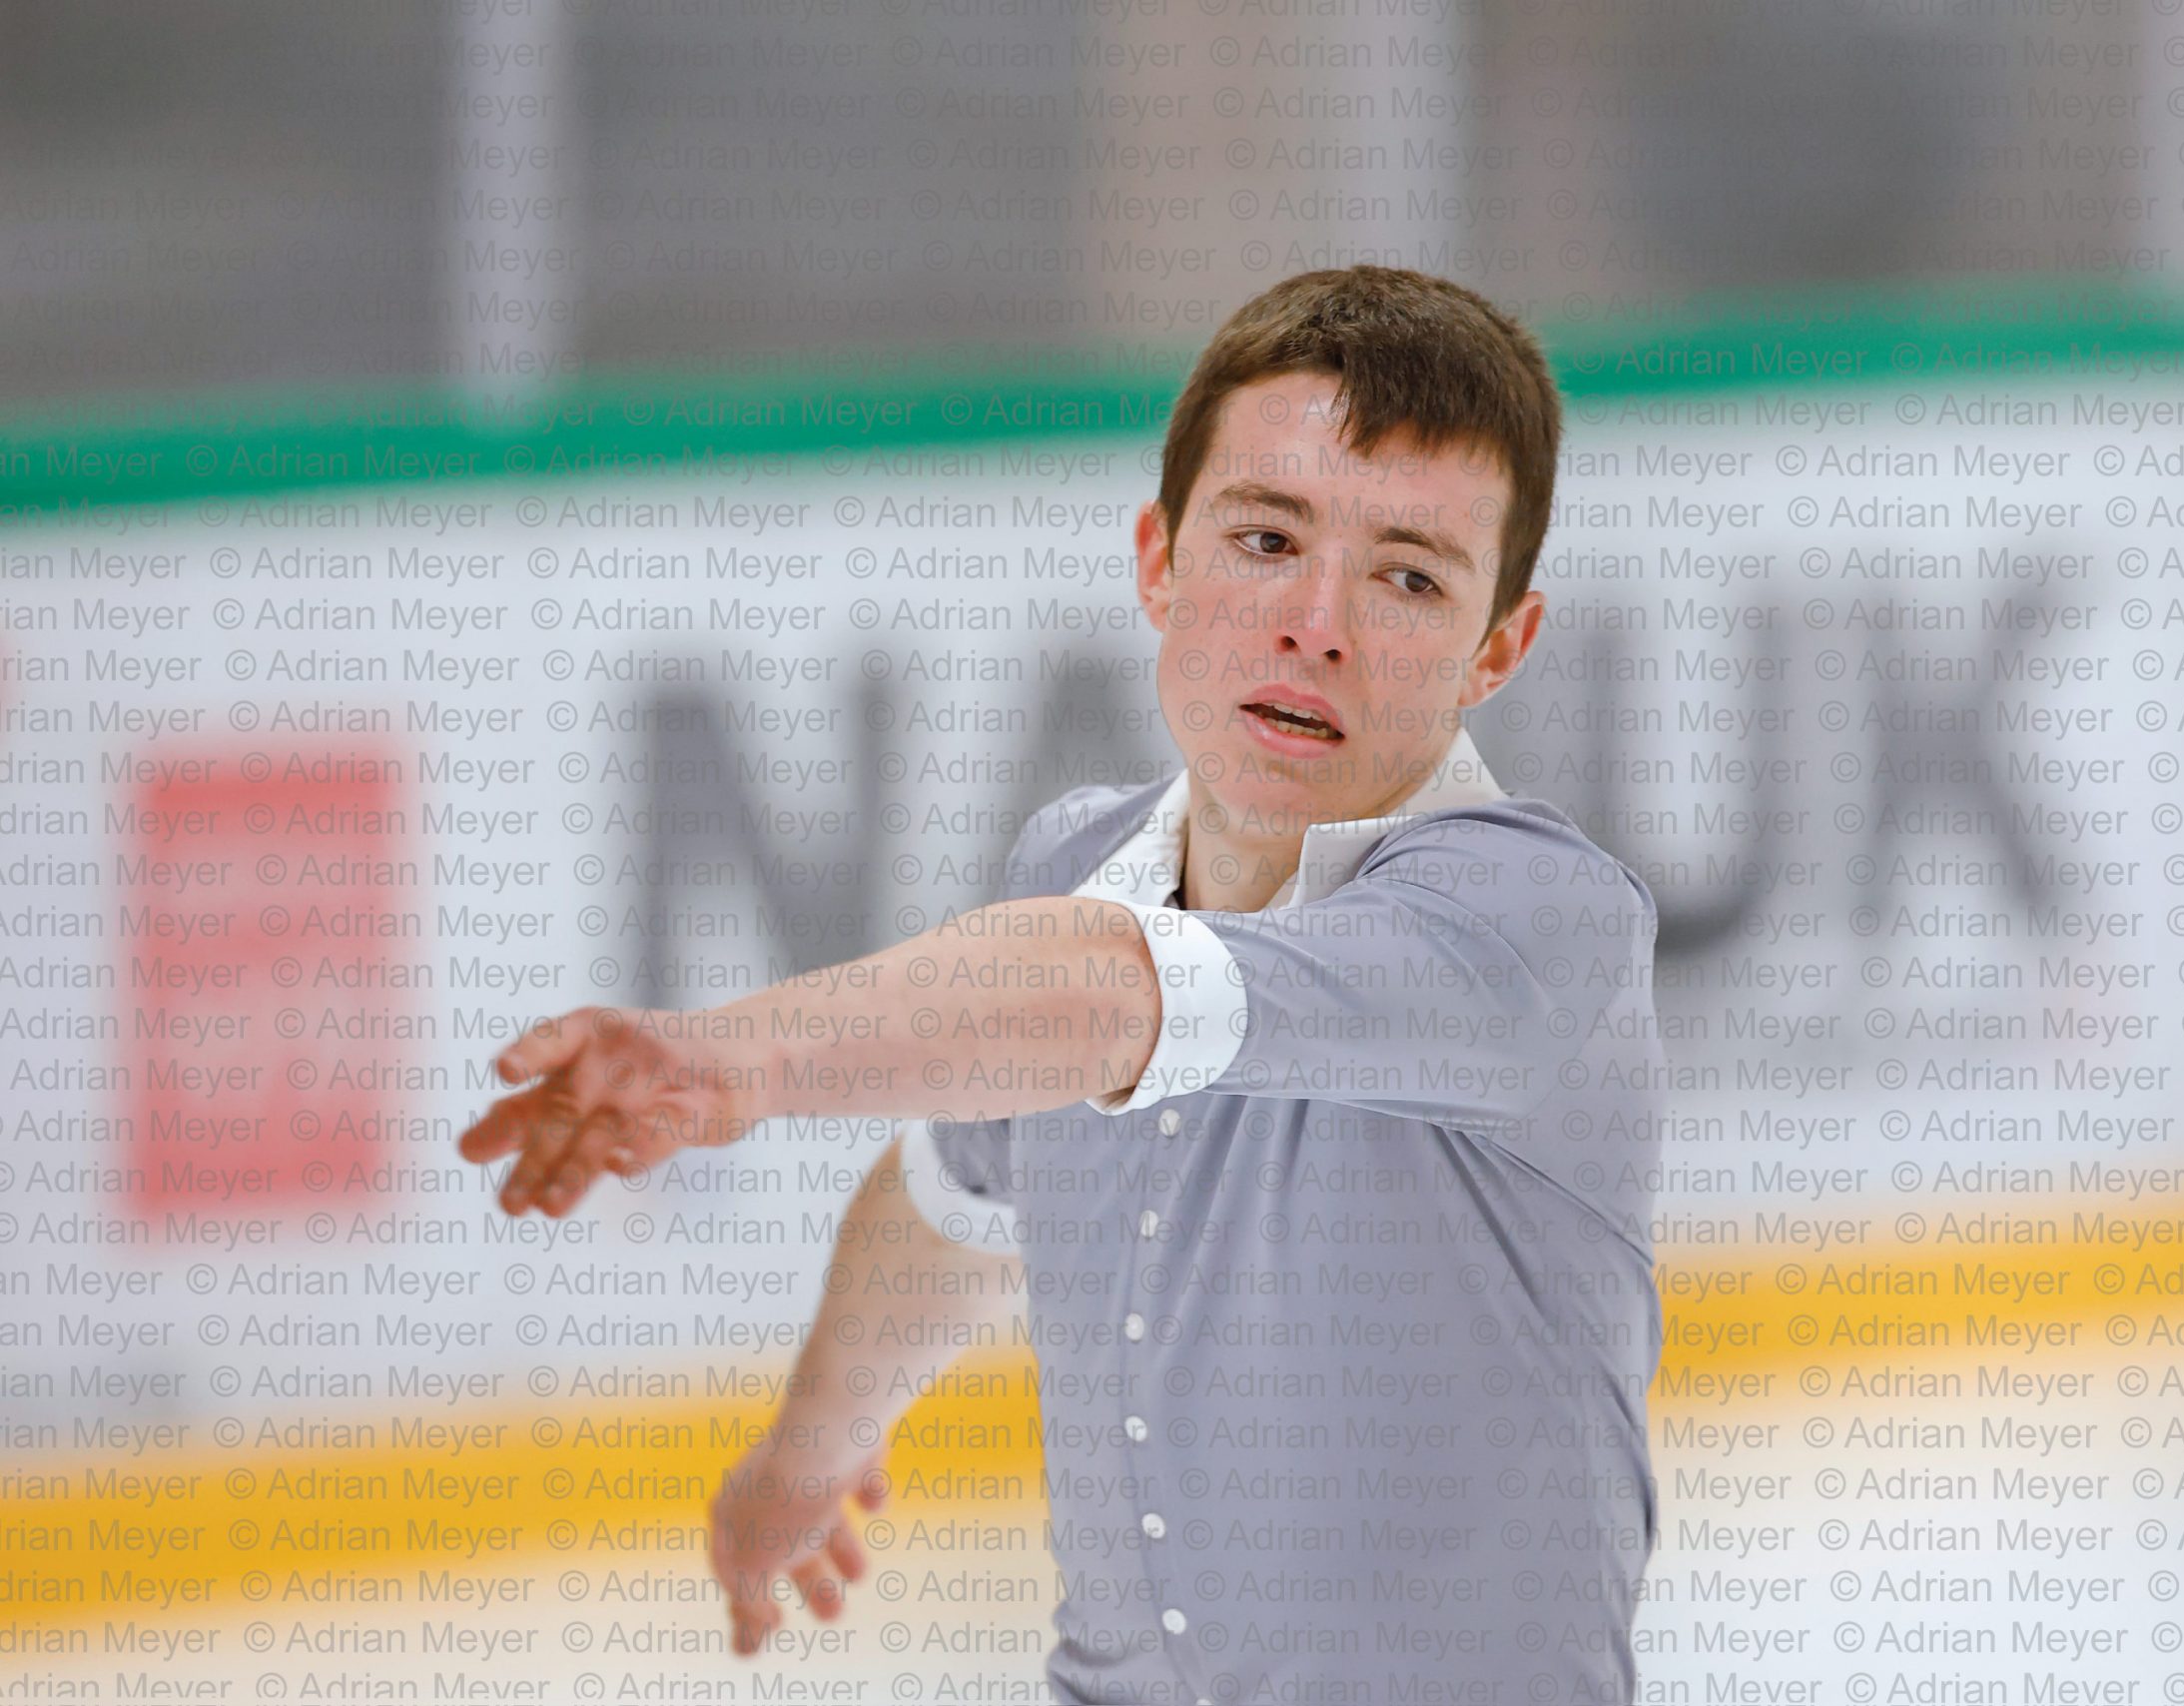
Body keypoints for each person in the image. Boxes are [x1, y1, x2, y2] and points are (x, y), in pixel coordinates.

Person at [458, 266, 1670, 1703]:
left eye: (1410, 576)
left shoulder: (1535, 922)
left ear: (1499, 648)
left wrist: (739, 1061)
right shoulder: (1080, 858)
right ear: (1160, 562)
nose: (1319, 622)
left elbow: (1116, 996)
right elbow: (956, 1196)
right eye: (1267, 538)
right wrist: (811, 1452)